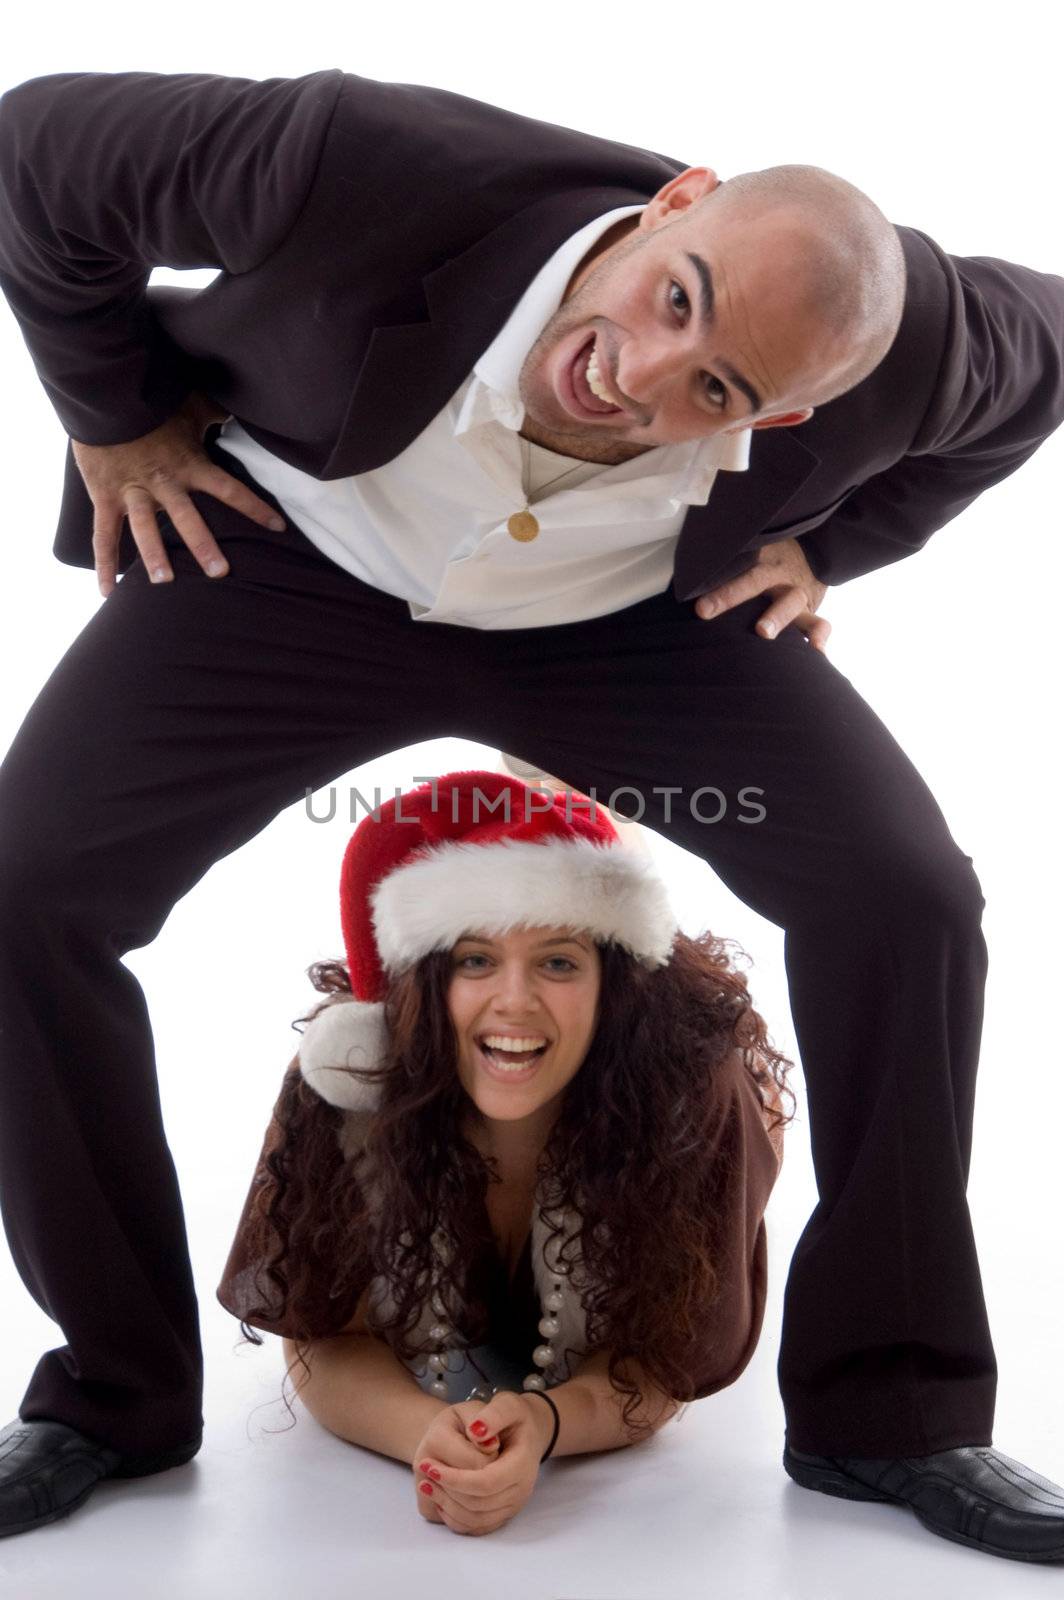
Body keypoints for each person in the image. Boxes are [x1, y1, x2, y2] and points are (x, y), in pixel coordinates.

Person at [0, 66, 1062, 1559]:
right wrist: (113, 418)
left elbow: (1052, 355)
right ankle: (107, 1396)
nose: (638, 377)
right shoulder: (351, 161)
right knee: (23, 890)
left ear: (803, 404)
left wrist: (839, 547)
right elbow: (34, 149)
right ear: (674, 204)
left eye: (718, 388)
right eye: (672, 301)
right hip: (298, 554)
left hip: (623, 617)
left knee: (906, 897)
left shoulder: (926, 347)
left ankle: (895, 1414)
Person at [213, 769, 790, 1536]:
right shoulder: (347, 1084)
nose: (513, 1002)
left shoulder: (689, 1102)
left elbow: (658, 1368)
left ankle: (573, 793)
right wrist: (428, 1434)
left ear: (608, 985)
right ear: (427, 980)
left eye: (558, 961)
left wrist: (546, 1423)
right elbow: (324, 1338)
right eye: (475, 960)